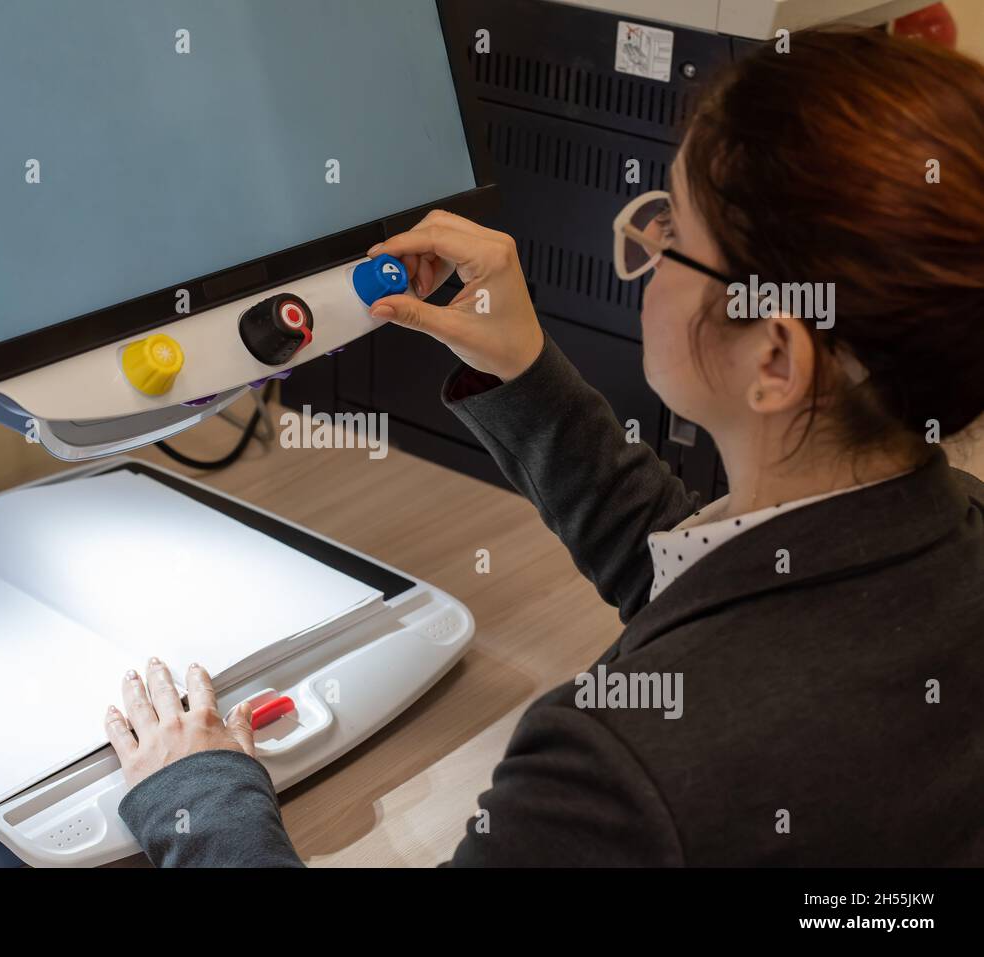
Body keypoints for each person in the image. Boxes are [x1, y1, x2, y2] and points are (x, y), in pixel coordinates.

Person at [104, 29, 984, 866]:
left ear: (776, 357)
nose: (639, 251)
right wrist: (522, 367)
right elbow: (711, 590)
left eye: (672, 234)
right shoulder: (944, 537)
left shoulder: (622, 772)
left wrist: (201, 795)